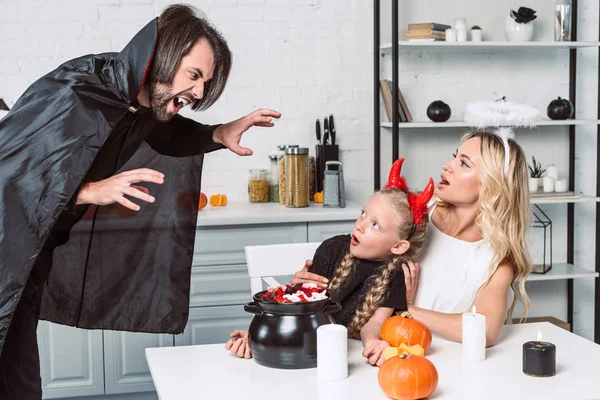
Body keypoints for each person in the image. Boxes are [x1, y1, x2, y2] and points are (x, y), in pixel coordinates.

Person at [0, 4, 280, 399]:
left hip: (28, 264)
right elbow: (7, 174)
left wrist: (218, 133)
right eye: (194, 75)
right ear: (164, 57)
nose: (199, 93)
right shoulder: (75, 93)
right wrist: (90, 191)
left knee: (20, 383)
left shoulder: (136, 102)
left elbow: (165, 134)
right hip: (5, 261)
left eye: (205, 82)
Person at [293, 129, 532, 347]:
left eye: (463, 163)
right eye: (454, 156)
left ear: (492, 186)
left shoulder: (497, 259)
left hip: (440, 357)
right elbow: (361, 247)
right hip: (374, 345)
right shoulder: (415, 215)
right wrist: (307, 290)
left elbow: (486, 331)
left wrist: (408, 310)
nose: (447, 166)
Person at [225, 159, 435, 366]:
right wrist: (260, 339)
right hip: (305, 348)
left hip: (343, 356)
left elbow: (374, 324)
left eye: (375, 225)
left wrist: (372, 343)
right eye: (363, 214)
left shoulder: (395, 273)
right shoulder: (332, 249)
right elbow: (300, 308)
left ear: (398, 246)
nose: (360, 225)